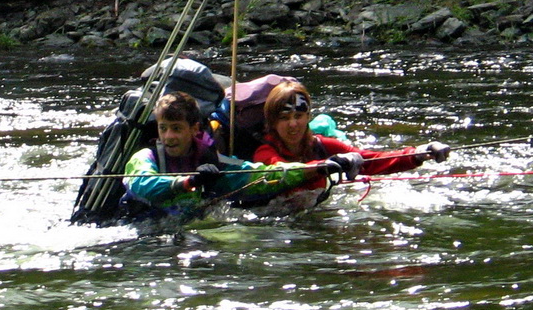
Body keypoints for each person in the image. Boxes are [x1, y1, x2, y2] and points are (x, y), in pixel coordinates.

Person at [122, 91, 335, 221]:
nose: (168, 136)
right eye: (163, 128)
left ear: (195, 129)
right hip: (141, 229)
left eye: (176, 128)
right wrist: (189, 181)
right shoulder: (145, 156)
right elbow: (144, 184)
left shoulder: (212, 161)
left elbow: (261, 176)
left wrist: (318, 167)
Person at [252, 80, 450, 207]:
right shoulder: (264, 152)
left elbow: (371, 161)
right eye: (285, 118)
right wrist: (323, 166)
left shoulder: (321, 146)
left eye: (299, 116)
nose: (293, 124)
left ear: (308, 117)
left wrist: (418, 153)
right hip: (276, 223)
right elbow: (282, 171)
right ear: (272, 122)